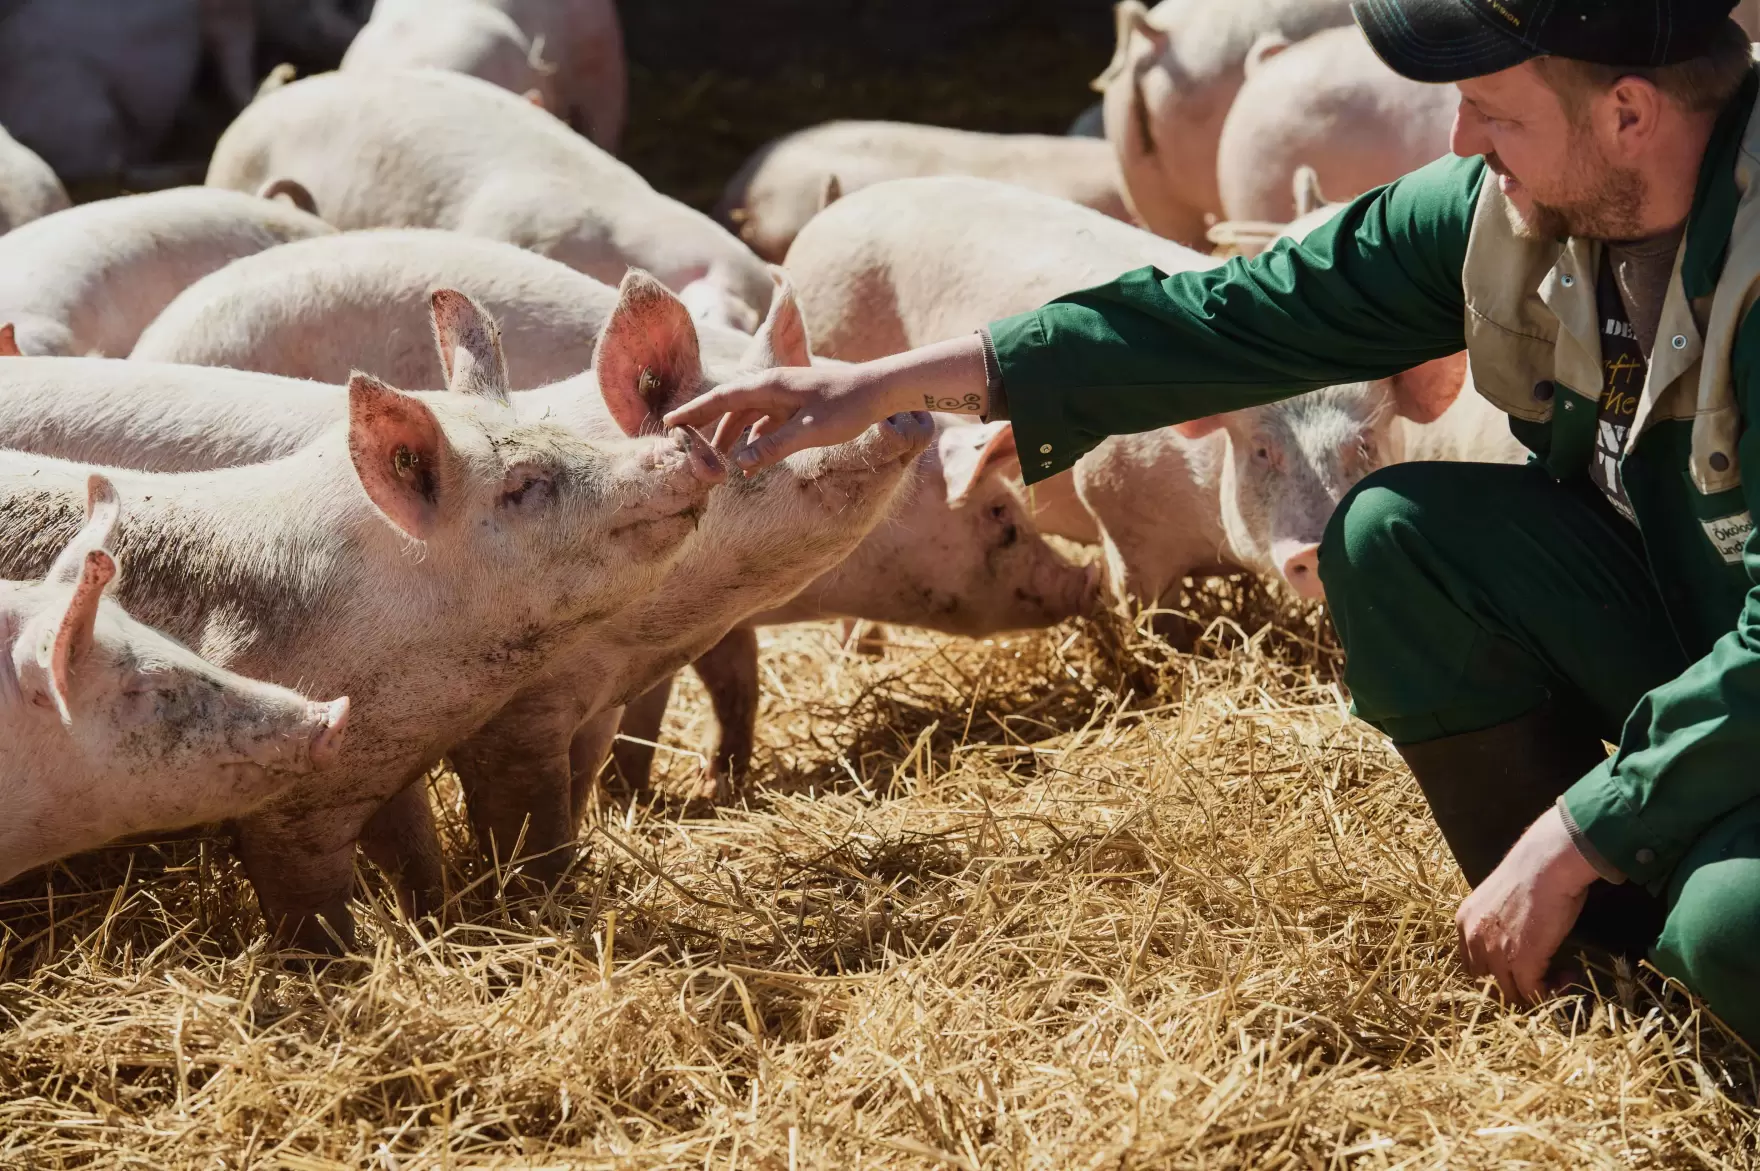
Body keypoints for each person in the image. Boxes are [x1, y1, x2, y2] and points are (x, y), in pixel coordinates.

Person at [667, 0, 1760, 1040]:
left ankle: (1649, 900)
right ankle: (1604, 951)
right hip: (1690, 631)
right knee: (1393, 536)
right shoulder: (1516, 219)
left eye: (1492, 107)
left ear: (1625, 112)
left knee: (1730, 933)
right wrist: (876, 386)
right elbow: (1229, 316)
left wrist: (1582, 829)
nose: (1461, 135)